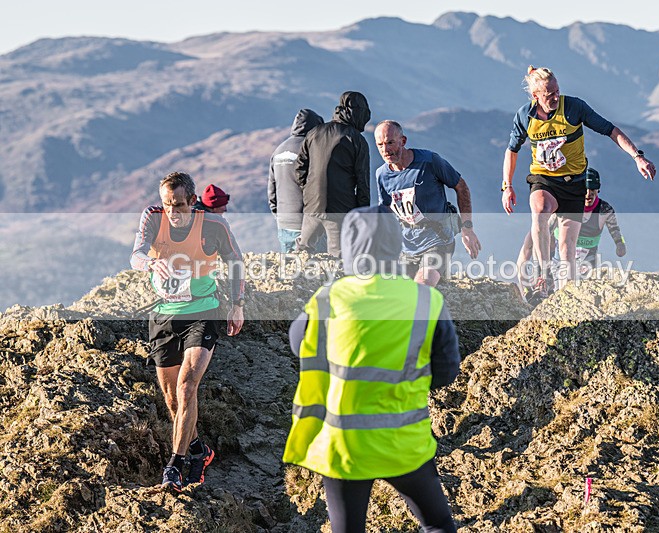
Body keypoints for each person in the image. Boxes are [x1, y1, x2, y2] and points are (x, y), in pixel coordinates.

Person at [283, 205, 459, 533]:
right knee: (437, 525)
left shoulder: (328, 299)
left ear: (349, 245)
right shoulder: (425, 300)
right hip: (404, 442)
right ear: (395, 242)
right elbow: (447, 372)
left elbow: (298, 346)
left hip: (343, 445)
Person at [131, 172, 245, 492]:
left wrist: (237, 305)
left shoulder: (213, 225)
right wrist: (150, 264)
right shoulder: (153, 217)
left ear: (193, 201)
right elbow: (136, 255)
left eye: (178, 205)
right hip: (164, 316)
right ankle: (198, 449)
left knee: (186, 386)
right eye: (167, 204)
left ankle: (175, 466)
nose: (172, 212)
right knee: (172, 400)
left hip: (203, 312)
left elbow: (236, 261)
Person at [502, 66, 655, 299]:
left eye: (557, 91)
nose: (555, 97)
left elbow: (610, 130)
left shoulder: (574, 108)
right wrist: (507, 186)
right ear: (535, 96)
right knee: (540, 210)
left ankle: (566, 296)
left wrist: (637, 156)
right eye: (549, 95)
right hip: (544, 179)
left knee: (566, 247)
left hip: (574, 183)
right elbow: (511, 151)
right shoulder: (525, 115)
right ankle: (543, 277)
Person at [374, 120, 481, 286]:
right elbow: (386, 210)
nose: (385, 150)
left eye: (390, 143)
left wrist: (467, 229)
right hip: (407, 247)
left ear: (403, 141)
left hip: (438, 240)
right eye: (380, 145)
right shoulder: (382, 174)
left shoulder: (429, 161)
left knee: (421, 287)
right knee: (394, 289)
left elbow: (461, 187)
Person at [516, 168, 626, 300]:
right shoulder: (564, 207)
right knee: (556, 275)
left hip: (587, 258)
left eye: (592, 190)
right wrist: (538, 274)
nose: (588, 194)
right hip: (560, 257)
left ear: (598, 189)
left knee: (582, 290)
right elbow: (536, 241)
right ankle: (544, 293)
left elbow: (614, 229)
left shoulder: (604, 209)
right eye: (585, 189)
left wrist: (620, 243)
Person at [295, 91, 371, 257]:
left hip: (312, 205)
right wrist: (362, 213)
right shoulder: (356, 139)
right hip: (340, 209)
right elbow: (362, 181)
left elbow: (300, 167)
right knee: (339, 256)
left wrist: (308, 191)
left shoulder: (314, 133)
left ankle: (297, 273)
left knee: (303, 251)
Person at [269, 108, 324, 252]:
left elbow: (272, 192)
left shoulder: (278, 151)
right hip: (308, 226)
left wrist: (280, 217)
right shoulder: (313, 149)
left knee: (289, 265)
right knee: (317, 265)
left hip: (284, 224)